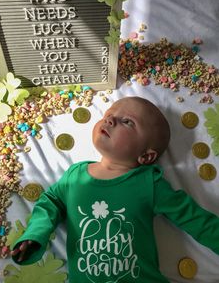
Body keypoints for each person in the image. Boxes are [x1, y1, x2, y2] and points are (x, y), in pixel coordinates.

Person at [11, 96, 219, 283]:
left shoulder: (149, 183)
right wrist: (34, 235)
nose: (110, 120)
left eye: (127, 122)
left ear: (146, 156)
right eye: (109, 114)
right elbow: (50, 203)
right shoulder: (75, 175)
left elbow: (196, 220)